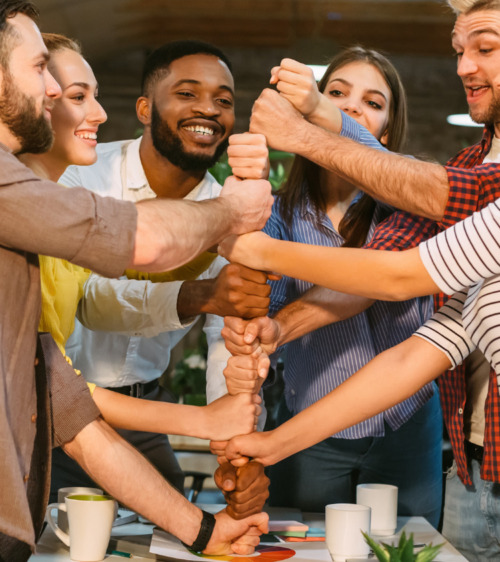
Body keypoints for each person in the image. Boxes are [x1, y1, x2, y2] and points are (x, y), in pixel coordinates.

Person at [218, 0, 500, 558]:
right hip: (467, 461)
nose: (465, 66)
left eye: (485, 48)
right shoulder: (472, 165)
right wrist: (273, 436)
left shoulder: (446, 193)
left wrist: (313, 121)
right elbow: (424, 346)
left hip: (407, 432)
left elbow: (394, 276)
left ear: (390, 126)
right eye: (459, 51)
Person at [0, 3, 271, 560]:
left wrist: (212, 505)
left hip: (96, 426)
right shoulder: (62, 186)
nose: (93, 110)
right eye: (47, 76)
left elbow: (68, 393)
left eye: (224, 99)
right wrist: (232, 213)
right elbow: (142, 242)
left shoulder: (39, 212)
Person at [18, 31, 261, 457]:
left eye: (224, 100)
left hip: (137, 404)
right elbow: (103, 288)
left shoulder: (225, 201)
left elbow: (224, 336)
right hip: (59, 408)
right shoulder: (72, 176)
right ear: (145, 109)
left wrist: (233, 442)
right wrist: (203, 286)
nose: (209, 108)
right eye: (187, 93)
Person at [225, 49, 442, 522]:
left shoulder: (410, 200)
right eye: (337, 94)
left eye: (372, 102)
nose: (350, 108)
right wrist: (248, 185)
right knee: (306, 548)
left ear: (384, 128)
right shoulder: (281, 211)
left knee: (407, 549)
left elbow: (378, 279)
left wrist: (281, 327)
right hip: (311, 429)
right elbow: (263, 307)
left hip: (406, 425)